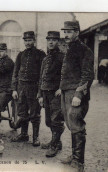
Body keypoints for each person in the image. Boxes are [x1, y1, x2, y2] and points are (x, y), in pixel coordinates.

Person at [60, 21, 94, 171]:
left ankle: (79, 161)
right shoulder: (69, 49)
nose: (66, 34)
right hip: (66, 91)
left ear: (77, 32)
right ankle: (74, 156)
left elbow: (87, 75)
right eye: (65, 31)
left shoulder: (84, 50)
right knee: (71, 124)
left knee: (77, 125)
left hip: (76, 94)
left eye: (69, 31)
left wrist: (79, 94)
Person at [11, 31, 46, 146]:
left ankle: (35, 137)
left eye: (30, 40)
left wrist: (40, 92)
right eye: (25, 40)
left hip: (34, 87)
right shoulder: (21, 55)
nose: (27, 43)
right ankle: (24, 135)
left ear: (34, 40)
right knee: (22, 112)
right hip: (21, 87)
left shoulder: (40, 55)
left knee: (35, 113)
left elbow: (43, 75)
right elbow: (15, 73)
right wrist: (14, 89)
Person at [37, 31, 65, 157]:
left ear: (58, 42)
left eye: (54, 40)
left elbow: (66, 75)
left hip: (56, 93)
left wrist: (61, 88)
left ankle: (54, 146)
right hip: (46, 92)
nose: (51, 42)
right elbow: (41, 77)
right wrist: (40, 95)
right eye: (49, 40)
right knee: (48, 121)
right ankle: (57, 142)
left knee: (56, 120)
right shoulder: (45, 59)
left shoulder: (62, 57)